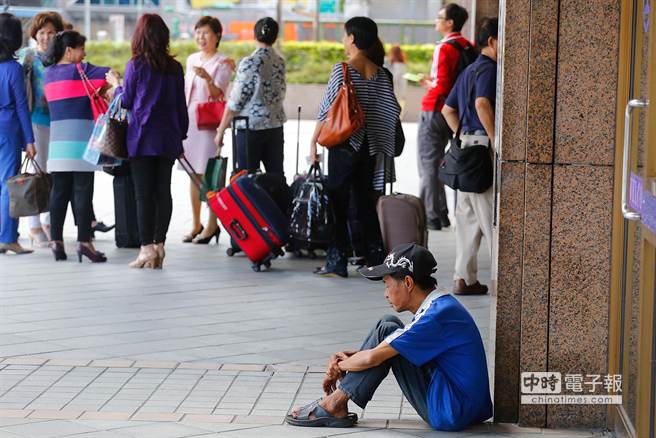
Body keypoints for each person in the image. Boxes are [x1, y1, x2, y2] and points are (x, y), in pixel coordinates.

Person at [286, 243, 493, 431]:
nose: (385, 293)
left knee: (387, 331)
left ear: (408, 282)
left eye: (386, 284)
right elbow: (379, 352)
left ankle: (334, 403)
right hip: (462, 404)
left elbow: (373, 358)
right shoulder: (440, 307)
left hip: (451, 411)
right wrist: (348, 360)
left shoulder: (436, 317)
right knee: (388, 324)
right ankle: (337, 403)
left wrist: (340, 366)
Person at [310, 17, 400, 278]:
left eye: (344, 35)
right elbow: (389, 113)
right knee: (365, 204)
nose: (343, 39)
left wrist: (313, 141)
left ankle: (337, 261)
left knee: (337, 202)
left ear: (352, 38)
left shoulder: (343, 69)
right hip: (370, 149)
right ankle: (374, 261)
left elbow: (327, 109)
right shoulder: (383, 74)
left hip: (345, 145)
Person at [106, 14, 189, 269]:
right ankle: (160, 245)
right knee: (163, 192)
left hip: (142, 138)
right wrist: (181, 134)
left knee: (143, 195)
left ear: (140, 36)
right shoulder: (175, 68)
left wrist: (116, 85)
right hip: (167, 138)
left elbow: (128, 101)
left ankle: (146, 250)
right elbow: (180, 106)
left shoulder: (136, 65)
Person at [42, 30, 111, 263]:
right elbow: (111, 74)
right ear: (69, 51)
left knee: (59, 192)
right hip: (82, 142)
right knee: (83, 191)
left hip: (58, 143)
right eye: (81, 48)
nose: (84, 53)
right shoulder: (83, 70)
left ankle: (56, 242)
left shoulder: (48, 74)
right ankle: (84, 243)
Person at [441, 17, 498, 295]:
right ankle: (503, 278)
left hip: (465, 148)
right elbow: (482, 102)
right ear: (492, 41)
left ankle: (463, 278)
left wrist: (462, 136)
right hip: (481, 148)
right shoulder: (489, 69)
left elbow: (447, 110)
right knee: (489, 218)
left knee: (466, 218)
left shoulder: (469, 70)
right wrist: (495, 138)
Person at [179, 16, 233, 244]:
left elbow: (218, 95)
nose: (201, 37)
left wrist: (208, 78)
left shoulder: (223, 62)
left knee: (210, 176)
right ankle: (196, 223)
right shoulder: (192, 59)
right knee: (192, 174)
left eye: (206, 33)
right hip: (190, 122)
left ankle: (212, 224)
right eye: (198, 32)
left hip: (209, 125)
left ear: (217, 36)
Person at [418, 4, 473, 230]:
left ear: (450, 23)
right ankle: (445, 214)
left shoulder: (444, 47)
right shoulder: (467, 46)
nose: (437, 21)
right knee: (448, 161)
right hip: (458, 113)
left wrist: (429, 86)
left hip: (436, 109)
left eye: (440, 18)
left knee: (429, 163)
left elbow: (441, 85)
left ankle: (430, 214)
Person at [214, 17, 286, 177]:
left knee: (246, 180)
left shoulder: (249, 62)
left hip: (251, 129)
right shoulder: (280, 62)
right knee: (276, 177)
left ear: (254, 36)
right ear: (275, 37)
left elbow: (235, 102)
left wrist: (220, 131)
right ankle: (278, 203)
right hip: (275, 126)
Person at [18, 11, 64, 247]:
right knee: (38, 172)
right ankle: (34, 225)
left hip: (59, 121)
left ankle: (48, 221)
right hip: (35, 120)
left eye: (51, 32)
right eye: (42, 33)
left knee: (53, 173)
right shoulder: (27, 57)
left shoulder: (62, 56)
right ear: (35, 35)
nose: (46, 37)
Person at [0, 13, 36, 255]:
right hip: (8, 128)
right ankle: (8, 238)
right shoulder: (13, 68)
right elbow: (22, 106)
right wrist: (30, 140)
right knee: (8, 184)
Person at [387, 45, 407, 119]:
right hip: (399, 94)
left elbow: (394, 78)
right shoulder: (402, 65)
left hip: (395, 94)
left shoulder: (397, 65)